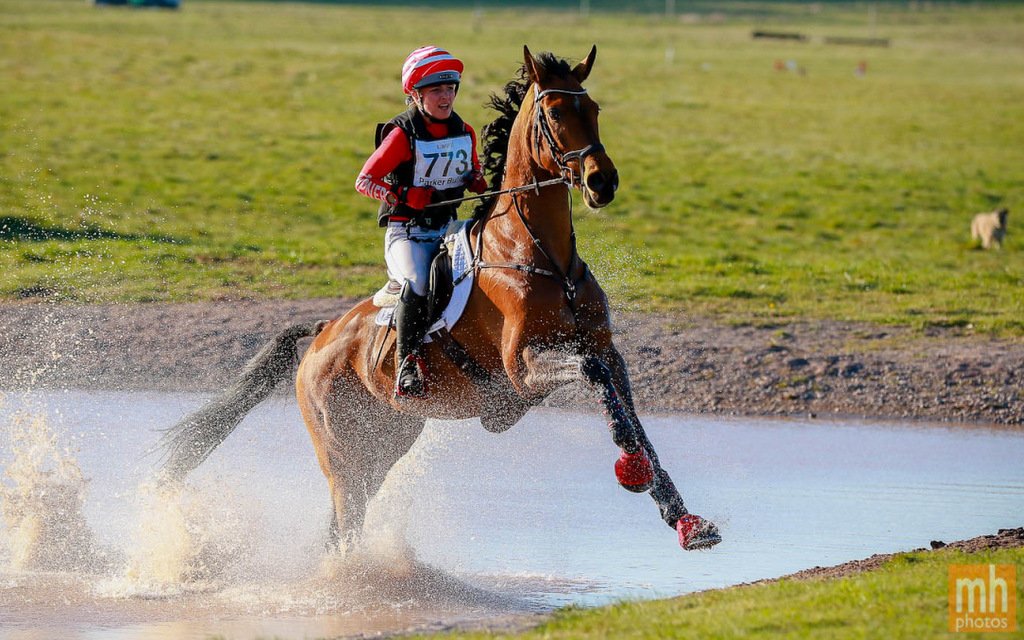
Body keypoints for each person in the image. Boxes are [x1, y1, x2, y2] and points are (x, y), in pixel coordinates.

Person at [355, 46, 487, 399]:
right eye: (436, 91)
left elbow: (472, 170)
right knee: (417, 282)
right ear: (416, 95)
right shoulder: (402, 135)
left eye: (451, 89)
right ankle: (407, 364)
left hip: (448, 230)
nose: (446, 97)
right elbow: (364, 181)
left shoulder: (465, 131)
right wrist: (402, 196)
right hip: (407, 234)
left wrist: (476, 180)